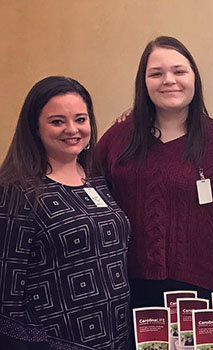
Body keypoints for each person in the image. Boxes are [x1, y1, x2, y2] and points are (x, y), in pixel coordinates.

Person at [95, 36, 213, 305]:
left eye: (179, 71)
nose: (169, 80)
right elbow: (86, 193)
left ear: (194, 78)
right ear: (144, 83)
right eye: (156, 73)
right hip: (130, 287)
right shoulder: (119, 137)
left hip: (205, 289)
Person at [0, 76, 130, 349]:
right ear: (35, 127)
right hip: (56, 341)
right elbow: (6, 290)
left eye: (80, 119)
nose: (72, 130)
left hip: (115, 335)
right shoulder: (16, 188)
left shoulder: (94, 175)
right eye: (57, 121)